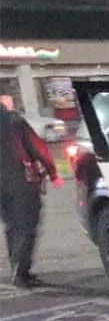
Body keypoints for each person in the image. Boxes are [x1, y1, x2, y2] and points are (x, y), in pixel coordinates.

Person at [0, 95, 62, 287]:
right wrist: (53, 173)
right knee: (26, 227)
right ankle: (21, 273)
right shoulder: (14, 120)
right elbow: (38, 147)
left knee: (12, 226)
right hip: (19, 181)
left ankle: (17, 269)